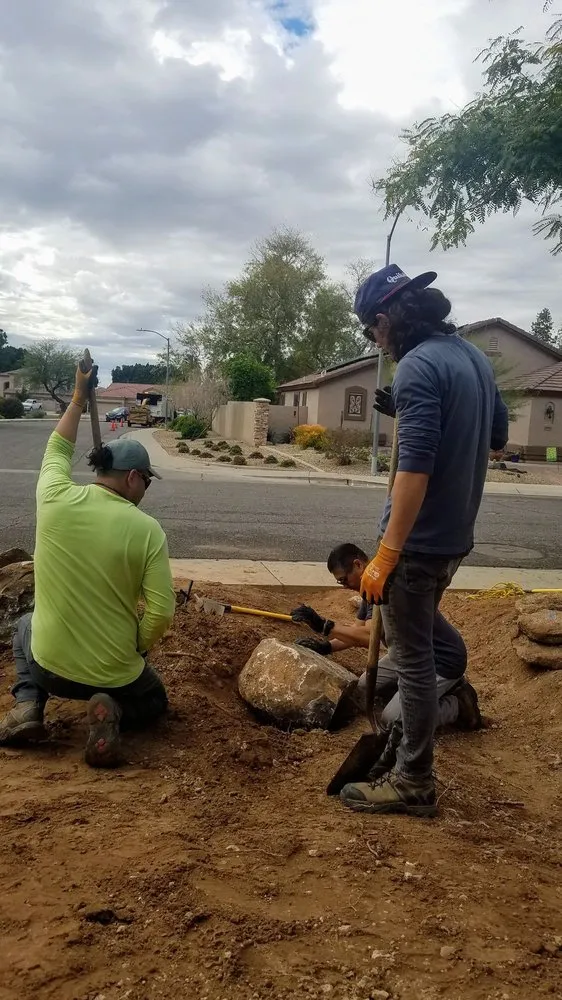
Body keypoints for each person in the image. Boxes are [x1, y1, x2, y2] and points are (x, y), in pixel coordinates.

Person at [328, 263, 508, 817]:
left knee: (411, 665)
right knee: (422, 646)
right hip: (454, 539)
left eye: (370, 331)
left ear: (385, 321)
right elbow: (497, 436)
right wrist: (411, 410)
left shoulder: (418, 366)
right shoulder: (472, 359)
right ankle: (416, 736)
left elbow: (415, 470)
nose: (374, 342)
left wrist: (386, 553)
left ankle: (413, 781)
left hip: (415, 544)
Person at [0, 362, 176, 767]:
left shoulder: (54, 498)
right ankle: (114, 712)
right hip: (116, 675)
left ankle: (28, 704)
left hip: (49, 668)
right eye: (147, 481)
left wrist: (78, 397)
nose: (147, 489)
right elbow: (161, 611)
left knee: (25, 625)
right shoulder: (147, 530)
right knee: (155, 701)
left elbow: (57, 449)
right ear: (132, 477)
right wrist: (138, 645)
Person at [291, 542, 481, 741]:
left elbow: (367, 637)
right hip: (405, 653)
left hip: (441, 660)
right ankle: (420, 696)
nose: (344, 586)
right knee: (363, 688)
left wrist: (324, 626)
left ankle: (457, 705)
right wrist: (327, 646)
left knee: (394, 720)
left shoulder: (388, 587)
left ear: (358, 565)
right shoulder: (371, 587)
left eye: (343, 580)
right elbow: (358, 632)